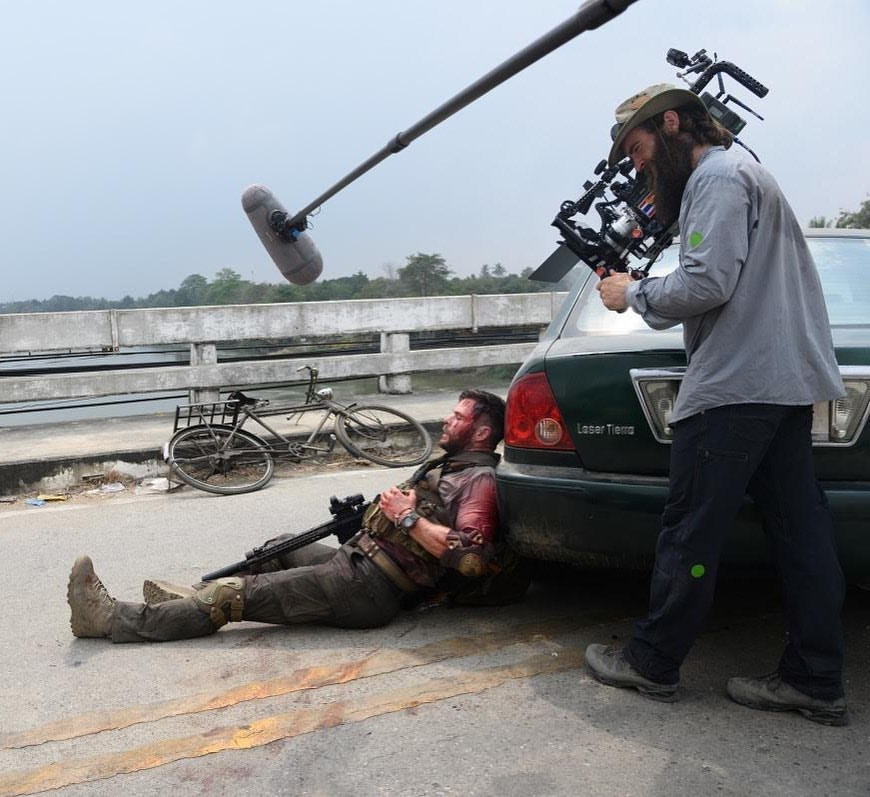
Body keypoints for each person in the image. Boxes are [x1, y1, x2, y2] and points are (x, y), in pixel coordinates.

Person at [585, 84, 848, 725]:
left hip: (736, 384)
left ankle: (652, 662)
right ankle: (814, 679)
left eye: (639, 150)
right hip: (781, 382)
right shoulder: (744, 175)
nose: (640, 167)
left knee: (691, 528)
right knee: (801, 534)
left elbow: (707, 281)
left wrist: (632, 293)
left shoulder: (717, 178)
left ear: (672, 124)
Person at [68, 389, 528, 643]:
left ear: (482, 432)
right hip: (356, 564)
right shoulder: (454, 467)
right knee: (279, 547)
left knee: (230, 596)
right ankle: (187, 604)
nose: (447, 420)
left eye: (458, 417)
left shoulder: (478, 481)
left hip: (368, 588)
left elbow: (472, 559)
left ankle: (111, 620)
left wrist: (407, 518)